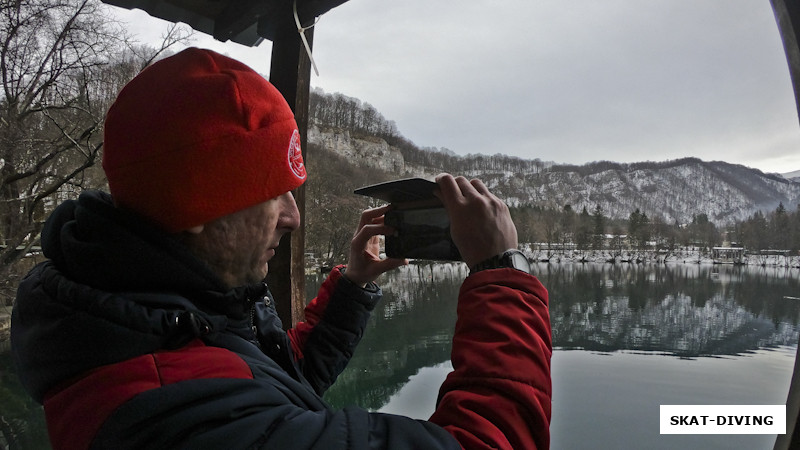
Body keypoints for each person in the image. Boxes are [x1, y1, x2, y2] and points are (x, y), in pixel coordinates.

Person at [11, 47, 551, 449]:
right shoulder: (173, 413)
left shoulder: (153, 314)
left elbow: (274, 382)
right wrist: (501, 273)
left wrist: (352, 286)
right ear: (201, 208)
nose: (293, 217)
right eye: (275, 197)